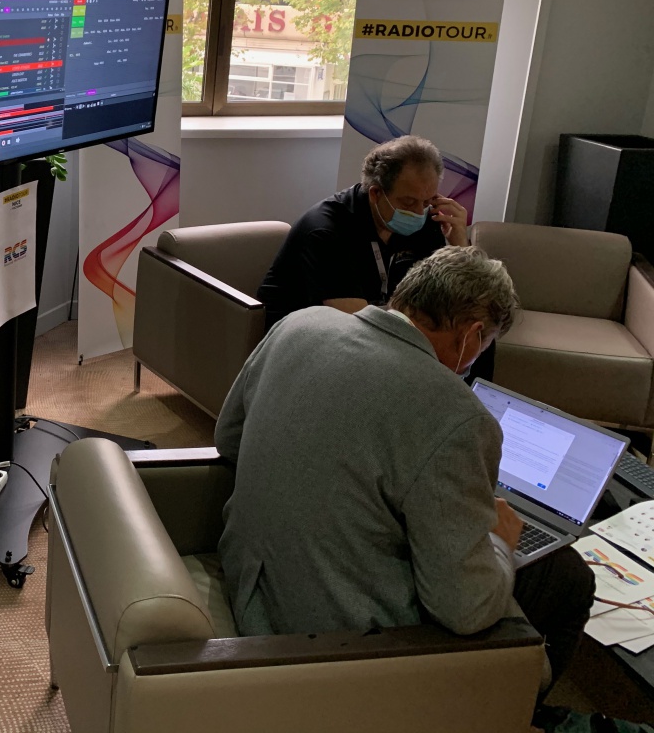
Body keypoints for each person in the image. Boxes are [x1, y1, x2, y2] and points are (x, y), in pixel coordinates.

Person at [215, 246, 594, 687]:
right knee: (568, 578)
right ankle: (514, 709)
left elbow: (228, 439)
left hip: (246, 577)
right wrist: (498, 542)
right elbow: (465, 610)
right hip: (340, 640)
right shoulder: (457, 416)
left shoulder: (299, 324)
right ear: (473, 335)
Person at [257, 135, 469, 331]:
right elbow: (358, 326)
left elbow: (458, 301)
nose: (419, 212)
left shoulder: (426, 219)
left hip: (379, 331)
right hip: (304, 337)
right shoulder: (326, 230)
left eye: (427, 201)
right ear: (376, 193)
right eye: (408, 202)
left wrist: (459, 246)